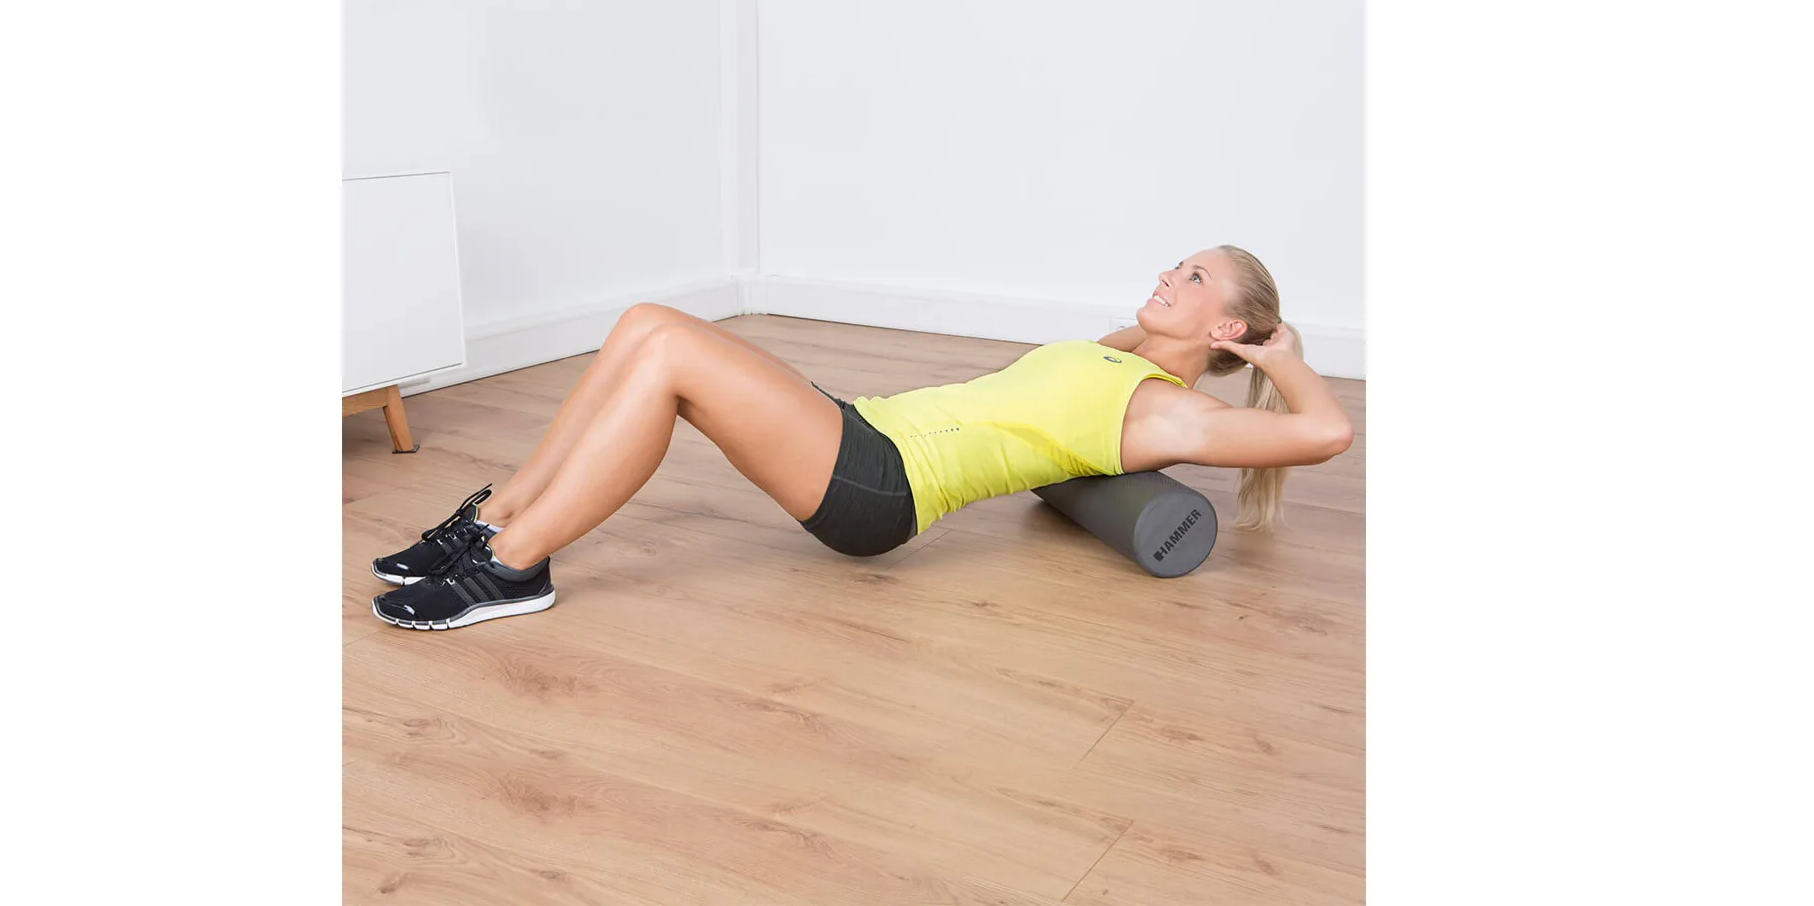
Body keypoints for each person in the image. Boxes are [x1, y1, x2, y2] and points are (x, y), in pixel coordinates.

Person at [365, 245, 1354, 631]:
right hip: (867, 429)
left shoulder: (1175, 413)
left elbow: (1326, 431)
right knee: (644, 323)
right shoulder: (1122, 353)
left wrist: (1284, 355)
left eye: (1194, 279)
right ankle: (490, 521)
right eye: (1178, 262)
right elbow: (1108, 368)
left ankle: (518, 566)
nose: (1169, 274)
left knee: (666, 355)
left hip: (885, 487)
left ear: (1229, 326)